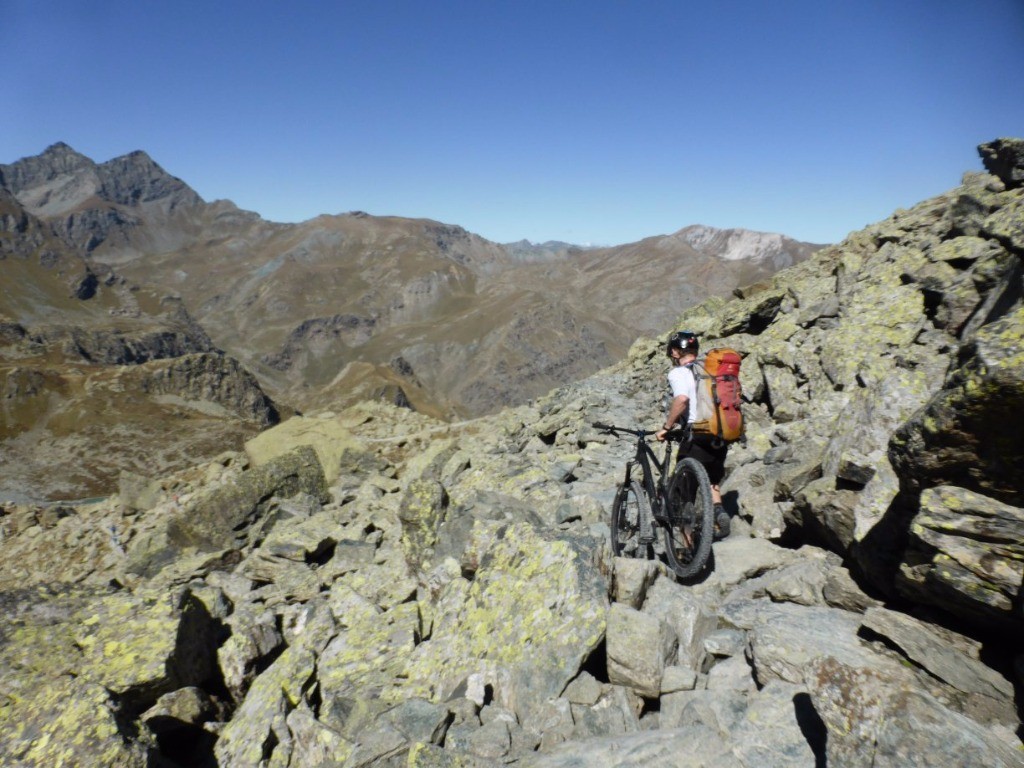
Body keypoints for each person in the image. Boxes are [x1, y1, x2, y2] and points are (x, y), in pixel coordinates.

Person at [654, 330, 731, 539]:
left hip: (696, 434)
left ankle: (688, 549)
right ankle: (718, 510)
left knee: (683, 493)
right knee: (711, 477)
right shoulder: (711, 369)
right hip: (720, 434)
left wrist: (666, 427)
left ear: (675, 352)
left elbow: (682, 400)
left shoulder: (678, 373)